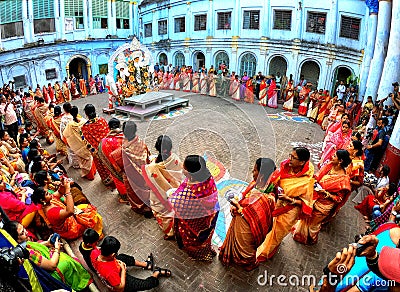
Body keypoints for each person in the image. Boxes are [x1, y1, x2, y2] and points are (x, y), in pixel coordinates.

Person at [257, 147, 315, 260]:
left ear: (302, 162)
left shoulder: (307, 182)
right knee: (267, 227)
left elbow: (307, 203)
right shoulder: (286, 167)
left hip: (289, 211)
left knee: (276, 234)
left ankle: (265, 252)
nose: (290, 159)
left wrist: (290, 199)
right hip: (276, 204)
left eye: (294, 158)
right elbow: (274, 180)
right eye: (290, 155)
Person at [219, 158, 276, 271]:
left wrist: (239, 207)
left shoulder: (266, 194)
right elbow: (244, 195)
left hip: (248, 226)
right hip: (243, 221)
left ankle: (245, 262)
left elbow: (255, 211)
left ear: (261, 175)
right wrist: (237, 203)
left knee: (245, 247)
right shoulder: (255, 184)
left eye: (255, 170)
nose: (252, 172)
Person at [4, 221, 93, 291]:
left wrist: (47, 243)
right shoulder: (28, 253)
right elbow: (52, 265)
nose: (26, 232)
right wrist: (57, 249)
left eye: (24, 229)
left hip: (49, 260)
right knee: (67, 264)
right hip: (53, 272)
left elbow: (35, 245)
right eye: (22, 233)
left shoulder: (24, 245)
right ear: (16, 240)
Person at [292, 150, 352, 245]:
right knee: (306, 218)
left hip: (324, 206)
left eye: (335, 156)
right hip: (314, 197)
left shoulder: (344, 181)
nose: (332, 156)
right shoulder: (329, 165)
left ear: (340, 161)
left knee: (313, 225)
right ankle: (299, 234)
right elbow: (318, 176)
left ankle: (310, 239)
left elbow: (339, 199)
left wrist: (325, 193)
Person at [169, 155, 219, 261]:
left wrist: (172, 196)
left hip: (195, 223)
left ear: (191, 173)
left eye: (185, 168)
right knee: (205, 238)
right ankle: (207, 251)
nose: (182, 170)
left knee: (194, 240)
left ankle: (201, 255)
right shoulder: (207, 177)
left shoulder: (190, 192)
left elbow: (175, 204)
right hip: (210, 217)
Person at [91, 236, 171, 291]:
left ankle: (146, 265)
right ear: (112, 254)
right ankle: (156, 273)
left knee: (122, 257)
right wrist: (123, 270)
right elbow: (120, 288)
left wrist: (117, 261)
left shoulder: (94, 252)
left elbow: (108, 258)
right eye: (116, 253)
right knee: (147, 284)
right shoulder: (110, 273)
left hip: (114, 267)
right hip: (119, 278)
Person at [142, 135, 183, 240]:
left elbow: (148, 182)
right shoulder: (175, 159)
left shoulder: (151, 167)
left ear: (157, 148)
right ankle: (176, 229)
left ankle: (169, 232)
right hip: (175, 192)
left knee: (163, 213)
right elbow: (178, 175)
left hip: (158, 195)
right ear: (170, 147)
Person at [31, 181, 103, 240]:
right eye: (47, 194)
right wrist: (68, 191)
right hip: (71, 229)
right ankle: (97, 235)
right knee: (93, 216)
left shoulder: (49, 200)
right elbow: (70, 211)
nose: (50, 193)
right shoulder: (51, 212)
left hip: (71, 217)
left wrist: (63, 184)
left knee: (86, 207)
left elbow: (59, 192)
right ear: (42, 200)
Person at [79, 228, 154, 272]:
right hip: (100, 267)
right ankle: (146, 265)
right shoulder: (92, 253)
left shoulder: (82, 245)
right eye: (95, 242)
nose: (97, 243)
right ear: (89, 244)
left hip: (99, 260)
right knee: (122, 258)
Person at [121, 121, 153, 216]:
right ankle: (149, 204)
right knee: (146, 188)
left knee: (135, 191)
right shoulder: (141, 142)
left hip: (132, 174)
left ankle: (140, 207)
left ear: (123, 132)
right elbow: (147, 157)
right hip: (144, 172)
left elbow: (125, 164)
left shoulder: (124, 148)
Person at [81, 104, 115, 188]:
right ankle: (116, 178)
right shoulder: (102, 120)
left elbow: (87, 142)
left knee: (102, 167)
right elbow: (108, 133)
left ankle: (108, 180)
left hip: (97, 152)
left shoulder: (84, 128)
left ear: (86, 114)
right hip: (107, 148)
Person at [98, 118, 128, 203]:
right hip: (129, 166)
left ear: (109, 128)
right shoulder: (127, 137)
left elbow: (103, 156)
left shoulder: (104, 142)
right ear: (119, 126)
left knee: (119, 181)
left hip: (116, 169)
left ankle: (125, 198)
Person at [62, 106, 96, 180]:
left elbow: (65, 135)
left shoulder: (70, 125)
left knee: (84, 162)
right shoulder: (83, 121)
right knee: (90, 159)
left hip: (77, 146)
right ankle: (93, 172)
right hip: (87, 145)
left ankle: (89, 176)